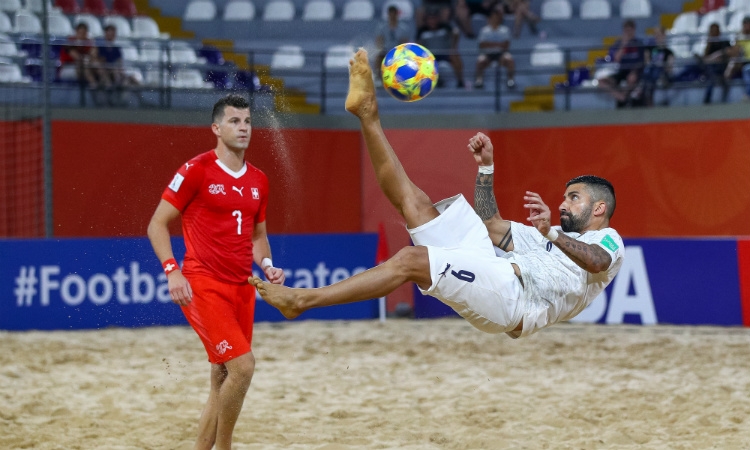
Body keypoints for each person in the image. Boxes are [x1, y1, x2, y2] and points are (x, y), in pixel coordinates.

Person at [251, 49, 625, 340]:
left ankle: (303, 300)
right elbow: (491, 225)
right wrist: (486, 169)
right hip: (499, 272)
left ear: (599, 207)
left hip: (515, 301)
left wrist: (551, 233)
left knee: (410, 260)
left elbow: (594, 261)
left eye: (574, 198)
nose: (563, 203)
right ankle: (367, 114)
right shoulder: (550, 239)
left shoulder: (607, 241)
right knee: (414, 204)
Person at [147, 94, 285, 450]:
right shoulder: (195, 170)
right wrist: (172, 272)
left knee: (222, 374)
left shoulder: (259, 180)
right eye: (235, 121)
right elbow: (157, 225)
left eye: (248, 121)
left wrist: (267, 266)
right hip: (203, 285)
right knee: (243, 368)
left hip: (242, 288)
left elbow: (258, 236)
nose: (243, 128)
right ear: (216, 128)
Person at [598, 19, 645, 108]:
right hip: (622, 71)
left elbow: (641, 61)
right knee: (602, 82)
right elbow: (616, 59)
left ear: (633, 30)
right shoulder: (619, 43)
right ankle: (623, 99)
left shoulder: (638, 43)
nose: (628, 33)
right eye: (626, 31)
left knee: (631, 79)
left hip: (635, 71)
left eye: (629, 31)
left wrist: (634, 72)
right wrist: (624, 45)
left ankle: (626, 100)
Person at [416, 11, 465, 88]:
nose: (432, 21)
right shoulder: (422, 31)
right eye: (430, 19)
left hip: (444, 53)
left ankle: (460, 81)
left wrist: (453, 47)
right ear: (427, 20)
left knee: (455, 56)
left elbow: (456, 33)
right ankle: (420, 84)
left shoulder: (445, 27)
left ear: (437, 19)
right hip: (430, 56)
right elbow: (417, 44)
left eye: (434, 19)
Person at [473, 4, 516, 89]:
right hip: (488, 55)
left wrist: (490, 44)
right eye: (494, 16)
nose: (495, 18)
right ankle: (479, 80)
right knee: (480, 60)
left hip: (501, 55)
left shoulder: (505, 30)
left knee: (509, 59)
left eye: (497, 16)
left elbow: (506, 46)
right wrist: (498, 44)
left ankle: (510, 80)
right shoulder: (484, 30)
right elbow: (482, 45)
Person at [58, 22, 101, 88]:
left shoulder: (87, 42)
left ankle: (107, 85)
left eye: (84, 33)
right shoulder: (70, 42)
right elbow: (77, 57)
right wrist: (88, 58)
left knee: (97, 64)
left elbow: (94, 54)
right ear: (76, 32)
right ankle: (94, 85)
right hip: (68, 67)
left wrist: (93, 46)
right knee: (84, 66)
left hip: (85, 65)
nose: (82, 35)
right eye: (80, 33)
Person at [375, 5, 411, 82]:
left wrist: (398, 52)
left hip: (398, 51)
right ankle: (379, 77)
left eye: (394, 14)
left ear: (397, 15)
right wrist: (382, 49)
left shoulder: (403, 28)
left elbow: (404, 42)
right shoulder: (382, 28)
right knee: (379, 57)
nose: (392, 16)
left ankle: (401, 78)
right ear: (388, 15)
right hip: (386, 50)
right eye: (390, 14)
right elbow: (379, 41)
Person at [640, 26, 674, 106]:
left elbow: (669, 68)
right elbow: (646, 62)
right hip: (650, 73)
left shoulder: (668, 52)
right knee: (649, 72)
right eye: (655, 35)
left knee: (656, 72)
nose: (657, 37)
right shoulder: (649, 49)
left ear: (664, 35)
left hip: (661, 74)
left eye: (659, 34)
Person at [698, 22, 731, 104]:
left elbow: (728, 53)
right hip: (711, 67)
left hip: (722, 67)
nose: (713, 33)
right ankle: (707, 98)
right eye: (712, 31)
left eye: (715, 31)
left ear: (719, 31)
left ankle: (712, 98)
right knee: (710, 72)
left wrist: (718, 56)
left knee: (713, 71)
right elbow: (705, 57)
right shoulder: (710, 44)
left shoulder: (724, 42)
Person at [724, 16, 750, 96]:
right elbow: (735, 51)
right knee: (733, 62)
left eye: (748, 24)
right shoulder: (740, 36)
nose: (747, 26)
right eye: (745, 24)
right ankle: (725, 83)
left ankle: (748, 94)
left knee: (746, 70)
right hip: (743, 61)